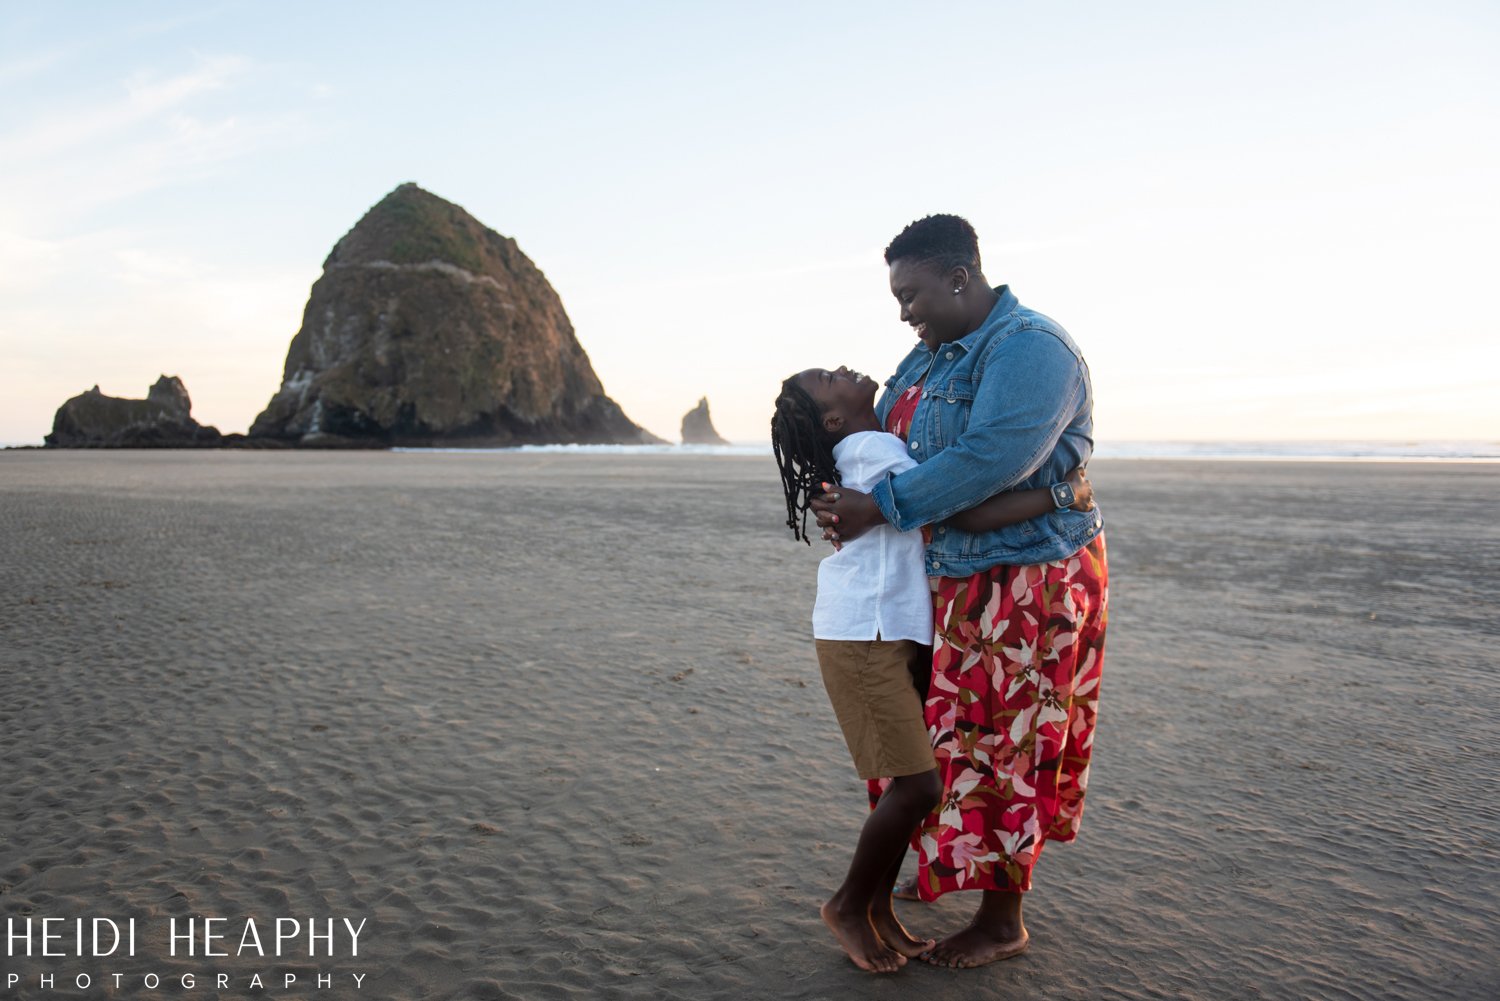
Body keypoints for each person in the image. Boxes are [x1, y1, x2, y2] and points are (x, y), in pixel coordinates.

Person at [811, 214, 1109, 969]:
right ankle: (936, 867)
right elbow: (883, 445)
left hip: (1024, 579)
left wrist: (880, 505)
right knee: (947, 737)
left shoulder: (1032, 349)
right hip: (945, 576)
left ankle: (1002, 919)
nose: (902, 310)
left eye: (910, 293)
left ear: (959, 277)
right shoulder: (926, 357)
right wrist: (842, 495)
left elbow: (988, 459)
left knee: (1007, 742)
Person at [771, 364, 1094, 973]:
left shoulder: (870, 446)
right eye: (825, 377)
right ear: (834, 419)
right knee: (917, 785)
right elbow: (963, 510)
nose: (840, 367)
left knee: (909, 784)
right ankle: (846, 906)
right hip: (865, 635)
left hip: (885, 630)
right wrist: (1063, 495)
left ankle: (877, 912)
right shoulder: (872, 452)